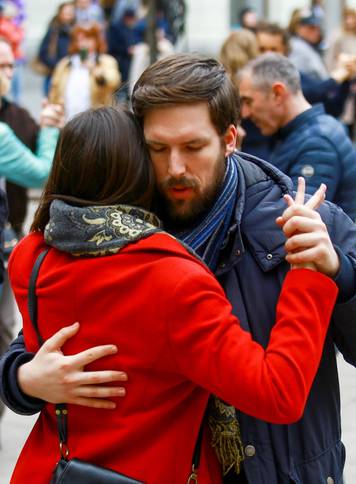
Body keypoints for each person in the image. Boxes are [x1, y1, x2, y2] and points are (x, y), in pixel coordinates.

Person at [1, 54, 356, 483]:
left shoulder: (310, 222)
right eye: (157, 149)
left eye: (192, 147)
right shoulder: (119, 223)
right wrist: (22, 379)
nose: (175, 169)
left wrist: (338, 272)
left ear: (229, 138)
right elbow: (43, 335)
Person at [238, 52, 356, 222]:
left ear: (278, 93)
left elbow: (292, 222)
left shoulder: (316, 144)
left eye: (248, 101)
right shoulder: (306, 133)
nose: (245, 113)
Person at [256, 21, 355, 119]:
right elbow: (314, 92)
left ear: (285, 51)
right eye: (262, 49)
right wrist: (336, 77)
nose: (267, 55)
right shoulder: (249, 80)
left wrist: (346, 77)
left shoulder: (293, 76)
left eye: (274, 50)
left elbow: (332, 107)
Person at [48, 22, 120, 120]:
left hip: (96, 121)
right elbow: (54, 90)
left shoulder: (105, 61)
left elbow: (113, 82)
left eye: (89, 38)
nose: (84, 43)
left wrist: (94, 70)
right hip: (67, 118)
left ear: (96, 40)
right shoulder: (66, 63)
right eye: (80, 39)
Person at [37, 1, 76, 96]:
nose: (68, 16)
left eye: (70, 13)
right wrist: (57, 65)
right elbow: (43, 52)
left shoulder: (77, 31)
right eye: (66, 13)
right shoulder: (53, 31)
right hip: (54, 74)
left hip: (72, 74)